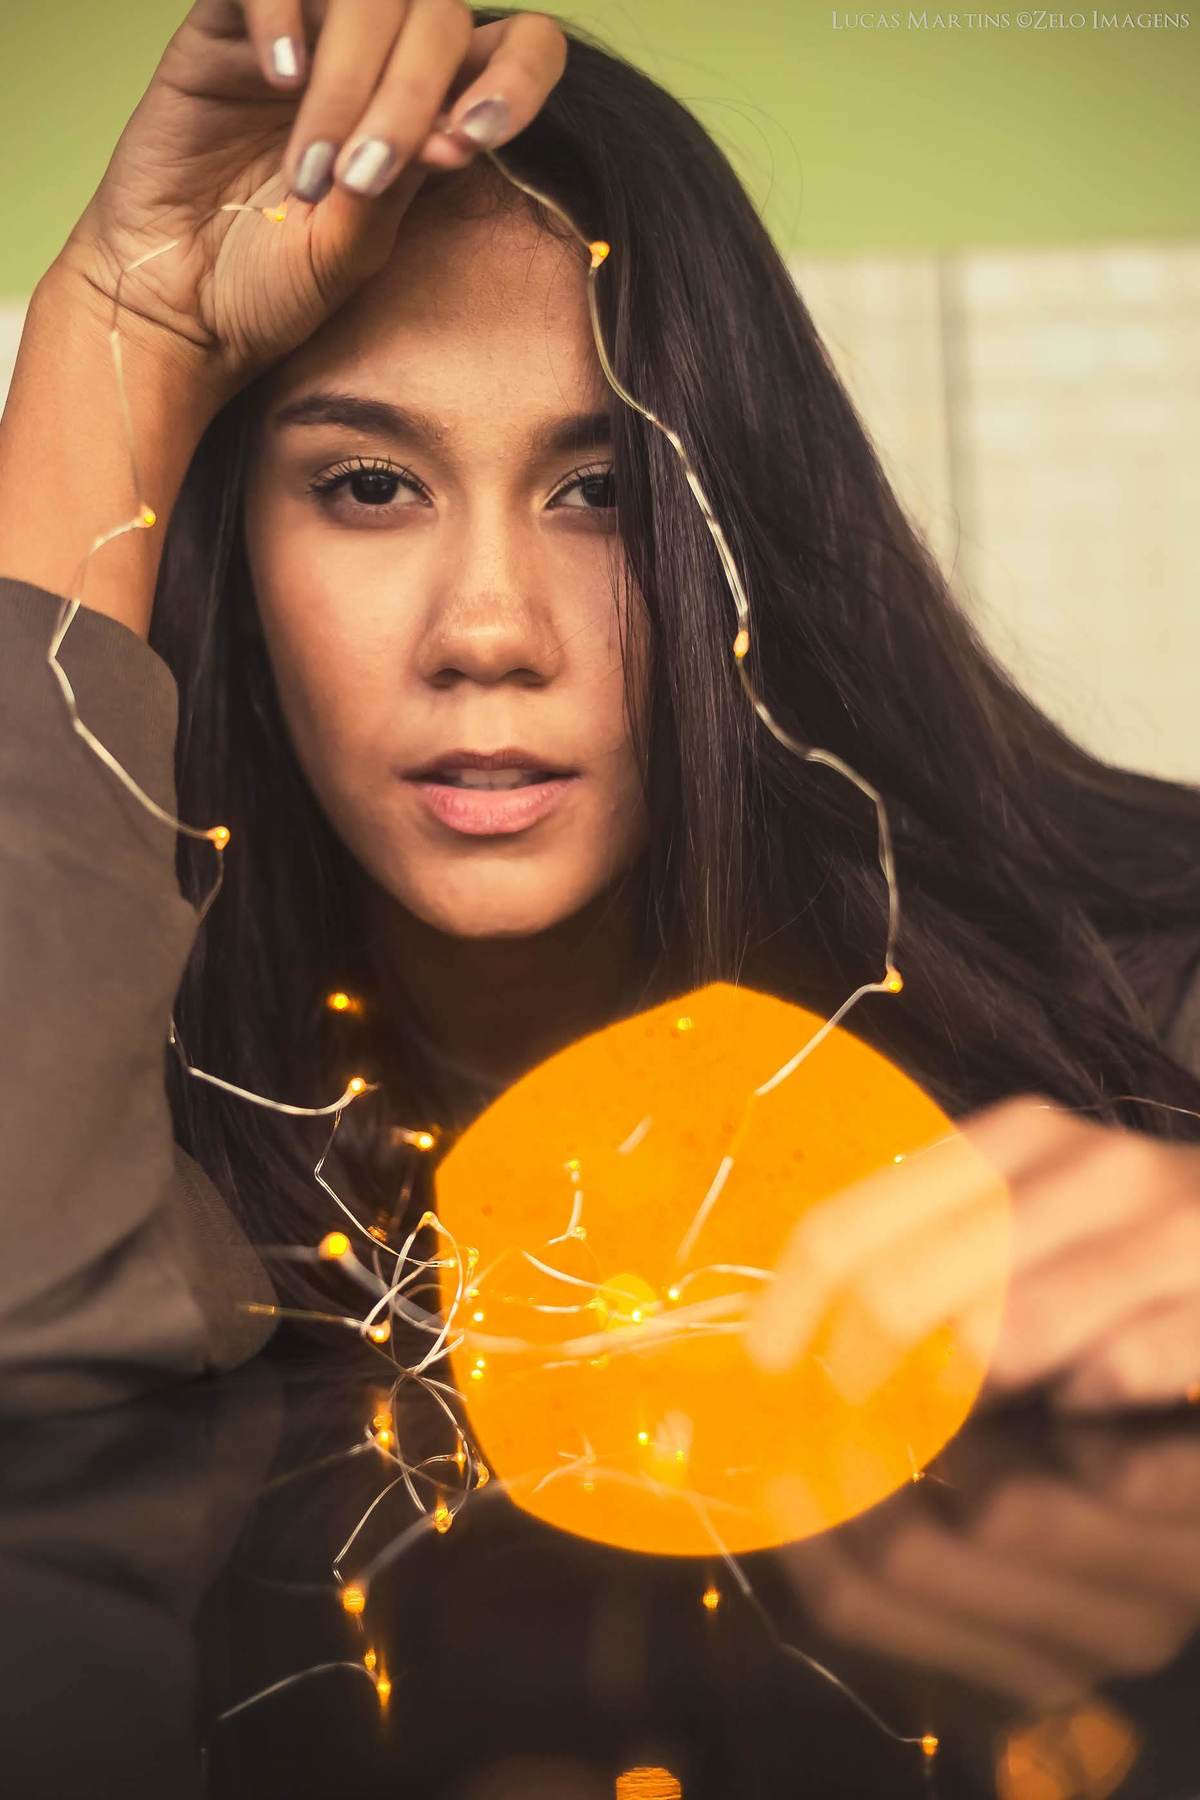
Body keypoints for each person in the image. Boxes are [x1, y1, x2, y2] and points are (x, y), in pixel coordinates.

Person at [1, 0, 1198, 1420]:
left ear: (743, 523)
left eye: (604, 493)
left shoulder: (1150, 1000)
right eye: (370, 487)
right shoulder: (113, 1065)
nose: (489, 633)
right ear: (239, 554)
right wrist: (118, 330)